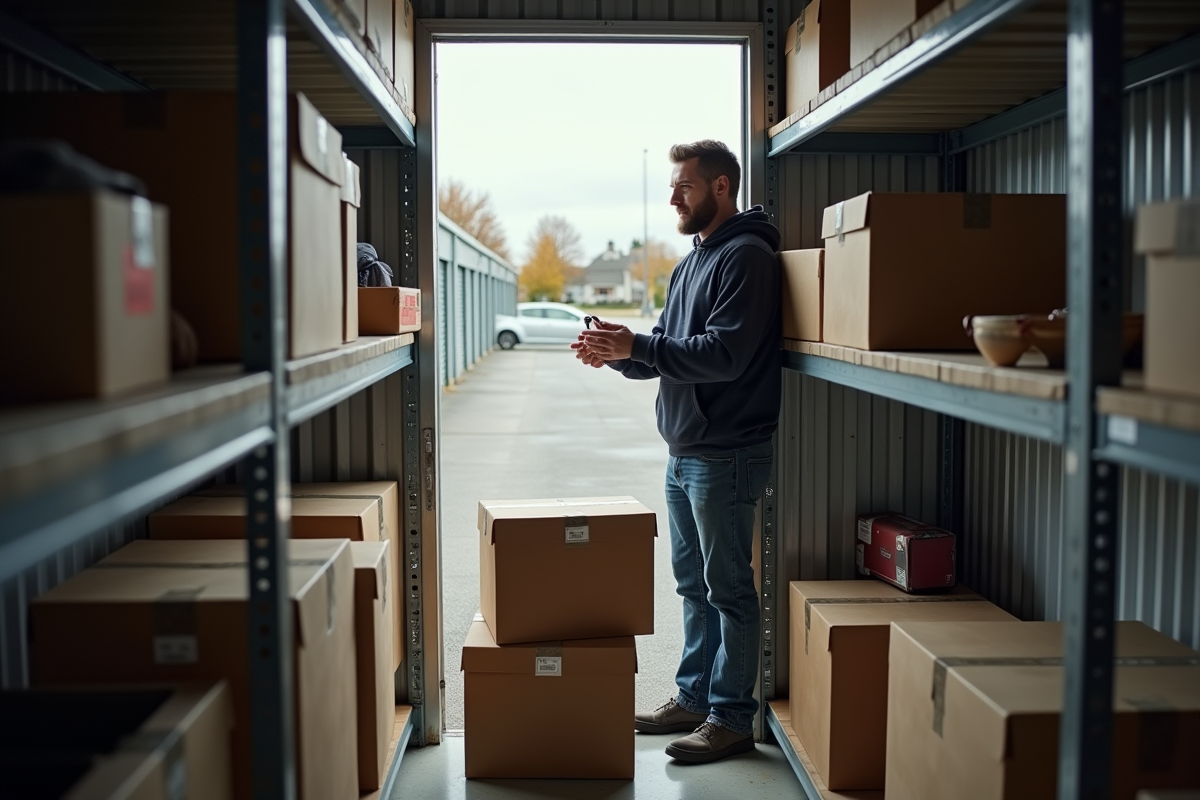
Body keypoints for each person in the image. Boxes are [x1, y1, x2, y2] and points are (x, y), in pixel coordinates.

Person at [572, 140, 781, 764]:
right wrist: (618, 352)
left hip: (726, 454)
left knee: (729, 591)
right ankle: (694, 699)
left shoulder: (747, 256)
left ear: (721, 187)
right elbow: (665, 351)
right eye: (671, 187)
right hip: (685, 451)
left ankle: (731, 718)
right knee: (693, 586)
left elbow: (724, 355)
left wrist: (639, 346)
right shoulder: (691, 263)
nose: (672, 199)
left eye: (683, 187)